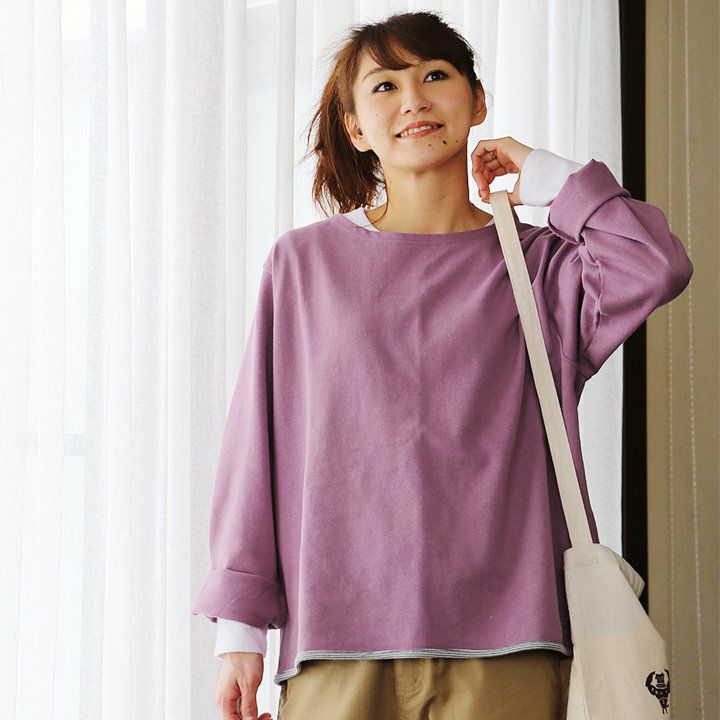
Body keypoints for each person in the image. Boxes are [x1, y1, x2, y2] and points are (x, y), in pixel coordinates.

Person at [192, 10, 694, 720]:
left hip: (513, 640)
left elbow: (655, 263)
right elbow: (256, 451)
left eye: (435, 75)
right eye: (385, 85)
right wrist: (240, 634)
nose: (414, 99)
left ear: (477, 101)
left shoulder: (543, 267)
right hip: (336, 640)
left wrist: (548, 175)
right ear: (356, 129)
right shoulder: (305, 265)